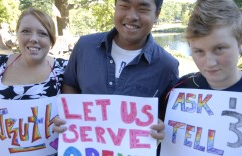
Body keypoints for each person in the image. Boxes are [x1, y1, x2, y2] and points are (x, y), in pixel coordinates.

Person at [53, 0, 179, 147]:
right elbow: (70, 83)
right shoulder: (84, 47)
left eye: (143, 9)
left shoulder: (167, 66)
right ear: (115, 8)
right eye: (124, 6)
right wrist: (69, 116)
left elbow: (167, 119)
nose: (131, 16)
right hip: (84, 148)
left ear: (157, 14)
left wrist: (161, 128)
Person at [0, 7, 68, 124]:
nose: (33, 39)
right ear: (17, 34)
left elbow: (74, 108)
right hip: (5, 141)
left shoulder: (64, 68)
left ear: (51, 39)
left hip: (52, 142)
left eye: (42, 33)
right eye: (26, 31)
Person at [169, 0, 242, 97]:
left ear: (241, 43)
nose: (210, 63)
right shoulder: (179, 90)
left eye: (219, 49)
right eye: (199, 51)